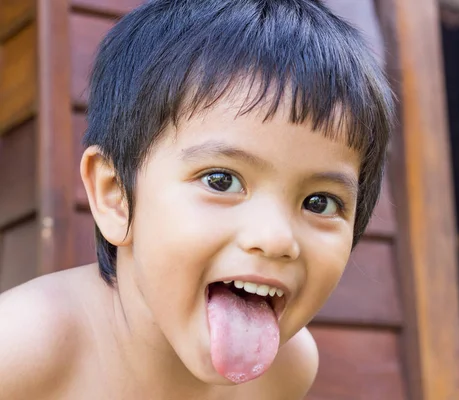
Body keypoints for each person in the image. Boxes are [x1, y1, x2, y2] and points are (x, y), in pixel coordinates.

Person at [0, 0, 394, 398]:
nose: (275, 238)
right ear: (115, 194)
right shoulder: (23, 346)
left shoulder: (285, 370)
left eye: (319, 202)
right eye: (221, 181)